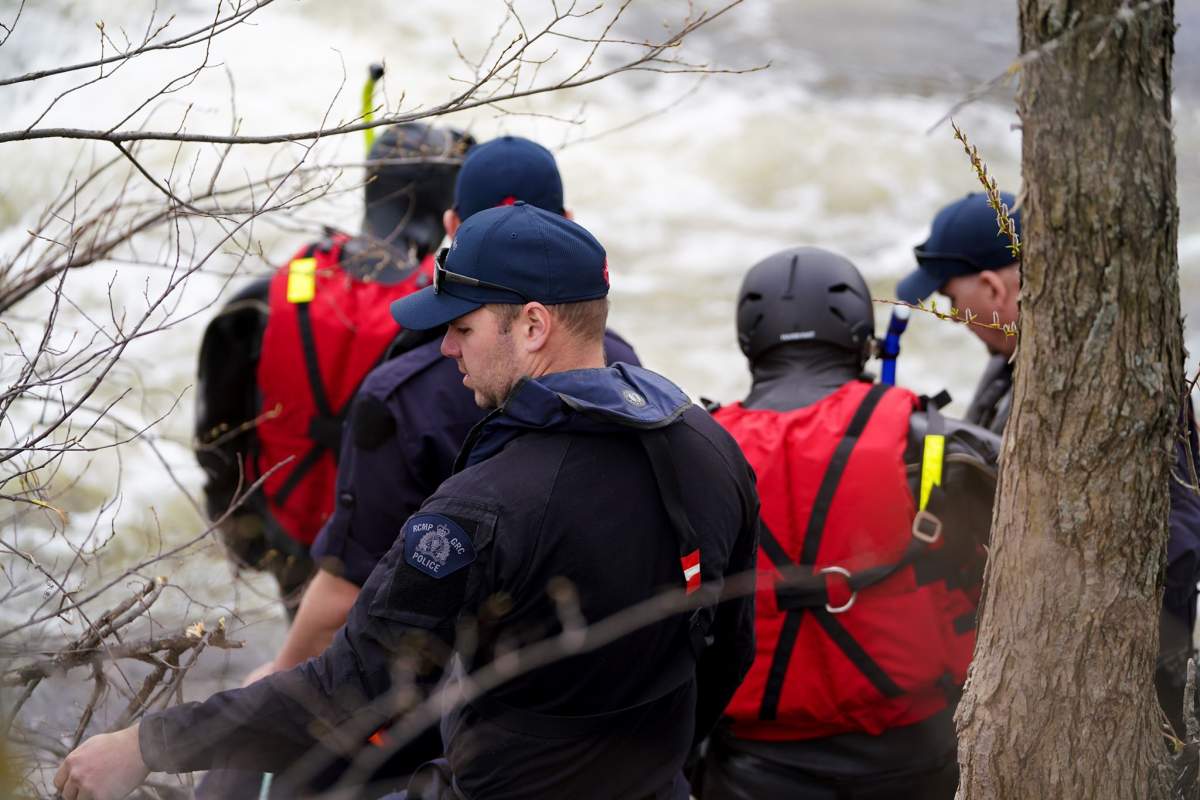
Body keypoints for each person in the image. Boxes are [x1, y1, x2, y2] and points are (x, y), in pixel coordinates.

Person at [56, 203, 760, 800]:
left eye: (462, 328)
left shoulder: (481, 507)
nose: (446, 348)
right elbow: (728, 651)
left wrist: (146, 744)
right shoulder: (711, 448)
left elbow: (344, 691)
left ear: (533, 326)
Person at [698, 247, 1001, 799]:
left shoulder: (698, 452)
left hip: (750, 765)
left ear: (749, 341)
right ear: (862, 336)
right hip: (918, 756)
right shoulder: (928, 440)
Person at [896, 191, 1200, 738]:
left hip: (1119, 682)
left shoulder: (1101, 381)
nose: (956, 319)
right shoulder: (1012, 358)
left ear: (993, 288)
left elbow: (1177, 539)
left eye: (951, 300)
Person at [194, 122, 473, 612]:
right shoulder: (445, 324)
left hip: (287, 534)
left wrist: (239, 528)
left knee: (304, 654)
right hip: (385, 562)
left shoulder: (267, 296)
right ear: (447, 212)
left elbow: (214, 434)